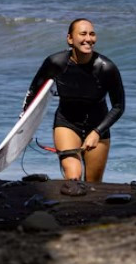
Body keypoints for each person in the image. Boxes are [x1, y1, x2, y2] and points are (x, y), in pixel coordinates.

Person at [22, 18, 125, 183]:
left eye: (92, 34)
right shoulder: (55, 62)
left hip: (98, 127)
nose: (88, 38)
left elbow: (119, 106)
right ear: (70, 38)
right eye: (83, 34)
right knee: (73, 177)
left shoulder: (107, 68)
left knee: (94, 184)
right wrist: (24, 126)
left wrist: (97, 132)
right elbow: (34, 93)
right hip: (66, 124)